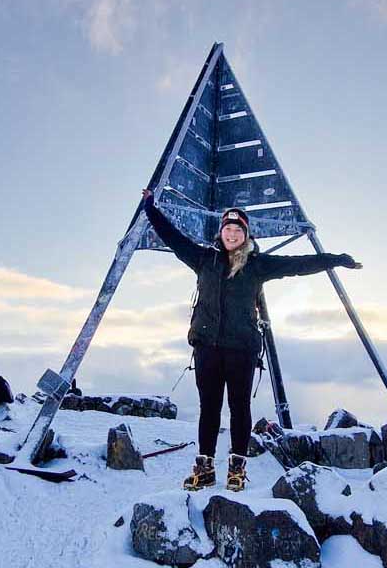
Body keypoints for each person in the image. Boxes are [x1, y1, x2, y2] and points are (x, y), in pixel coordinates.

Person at [141, 189, 362, 492]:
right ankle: (205, 468)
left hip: (241, 350)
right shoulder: (203, 259)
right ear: (221, 232)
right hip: (207, 348)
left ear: (246, 235)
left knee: (239, 408)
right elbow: (172, 237)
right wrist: (150, 207)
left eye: (237, 230)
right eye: (227, 229)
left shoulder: (257, 265)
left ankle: (237, 469)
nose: (232, 234)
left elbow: (298, 265)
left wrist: (335, 260)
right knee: (209, 408)